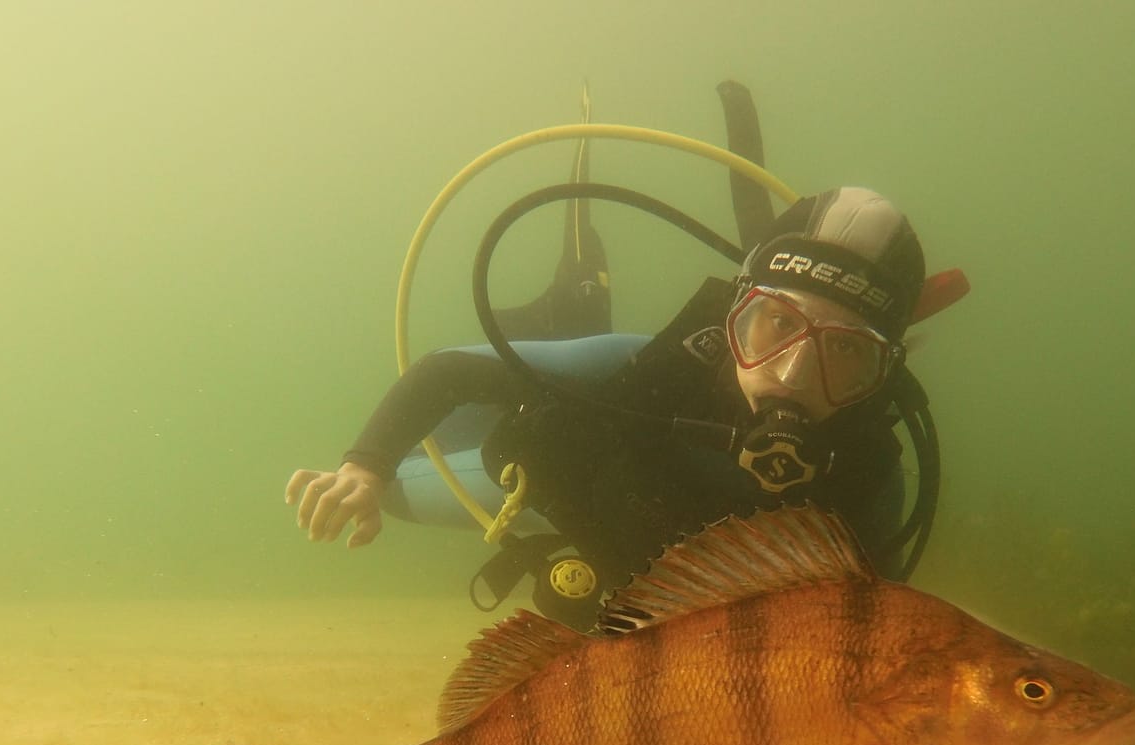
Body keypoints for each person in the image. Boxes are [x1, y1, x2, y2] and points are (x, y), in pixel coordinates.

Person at [286, 186, 967, 628]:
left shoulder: (869, 478)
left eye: (845, 353)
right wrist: (366, 469)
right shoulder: (654, 369)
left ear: (883, 373)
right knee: (415, 491)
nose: (790, 375)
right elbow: (452, 372)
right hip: (562, 501)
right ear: (735, 314)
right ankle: (570, 306)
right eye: (775, 326)